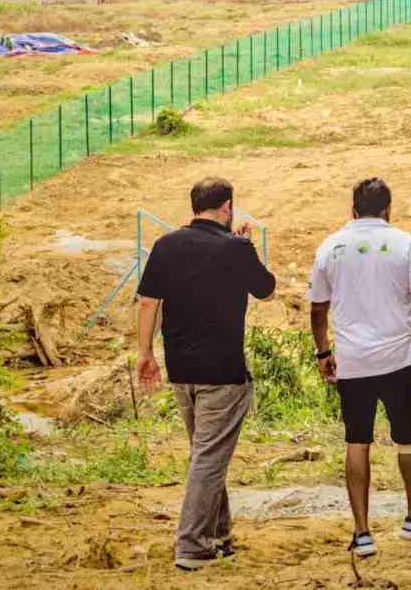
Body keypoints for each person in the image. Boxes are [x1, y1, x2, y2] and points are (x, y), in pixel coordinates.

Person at [135, 177, 277, 572]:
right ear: (227, 207)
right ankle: (193, 545)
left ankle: (219, 535)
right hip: (223, 372)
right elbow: (267, 290)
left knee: (206, 454)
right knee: (208, 458)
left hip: (181, 369)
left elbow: (148, 303)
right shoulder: (235, 248)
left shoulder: (165, 245)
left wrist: (145, 353)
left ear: (195, 206)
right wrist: (244, 245)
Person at [309, 178, 411, 559]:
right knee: (409, 438)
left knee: (357, 441)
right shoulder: (405, 243)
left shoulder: (330, 247)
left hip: (353, 362)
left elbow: (317, 310)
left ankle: (362, 532)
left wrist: (324, 354)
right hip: (398, 360)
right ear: (388, 209)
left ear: (352, 210)